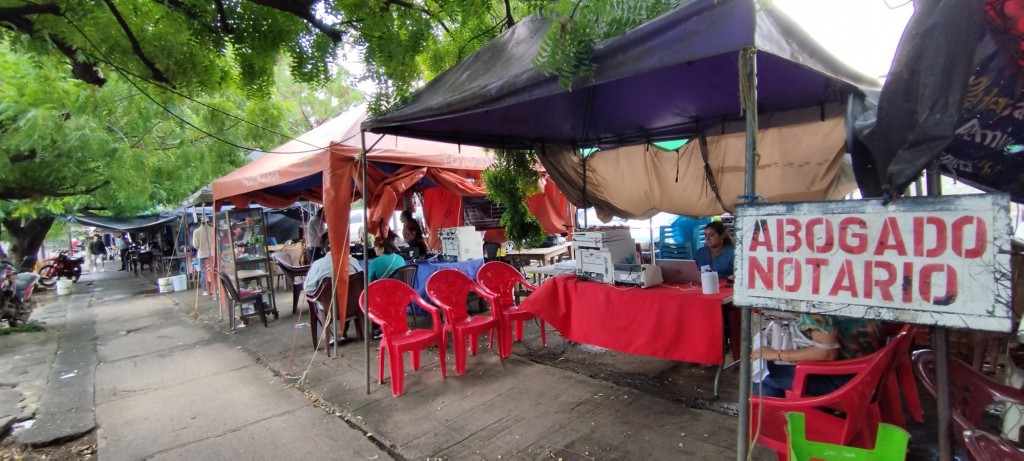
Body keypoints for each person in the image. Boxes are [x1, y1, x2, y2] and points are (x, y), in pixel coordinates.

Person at [751, 314, 883, 397]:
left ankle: (779, 420)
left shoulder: (818, 305)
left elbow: (826, 353)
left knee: (760, 376)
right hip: (869, 371)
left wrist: (777, 355)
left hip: (848, 381)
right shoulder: (853, 291)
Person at [192, 220, 215, 296]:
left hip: (202, 254)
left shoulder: (196, 232)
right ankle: (215, 288)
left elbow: (195, 245)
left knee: (204, 272)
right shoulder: (212, 229)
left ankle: (206, 289)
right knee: (214, 270)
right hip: (212, 253)